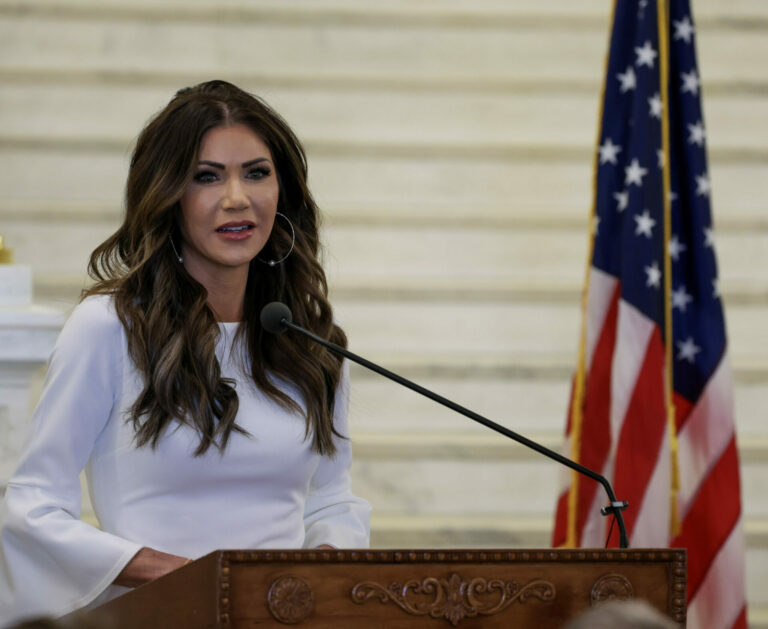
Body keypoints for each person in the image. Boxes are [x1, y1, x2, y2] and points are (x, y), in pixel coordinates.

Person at [0, 80, 371, 625]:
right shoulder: (109, 328)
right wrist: (193, 577)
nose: (237, 198)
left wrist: (321, 568)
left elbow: (332, 499)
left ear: (282, 193)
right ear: (168, 194)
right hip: (161, 615)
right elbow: (32, 506)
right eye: (207, 177)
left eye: (256, 172)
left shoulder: (306, 335)